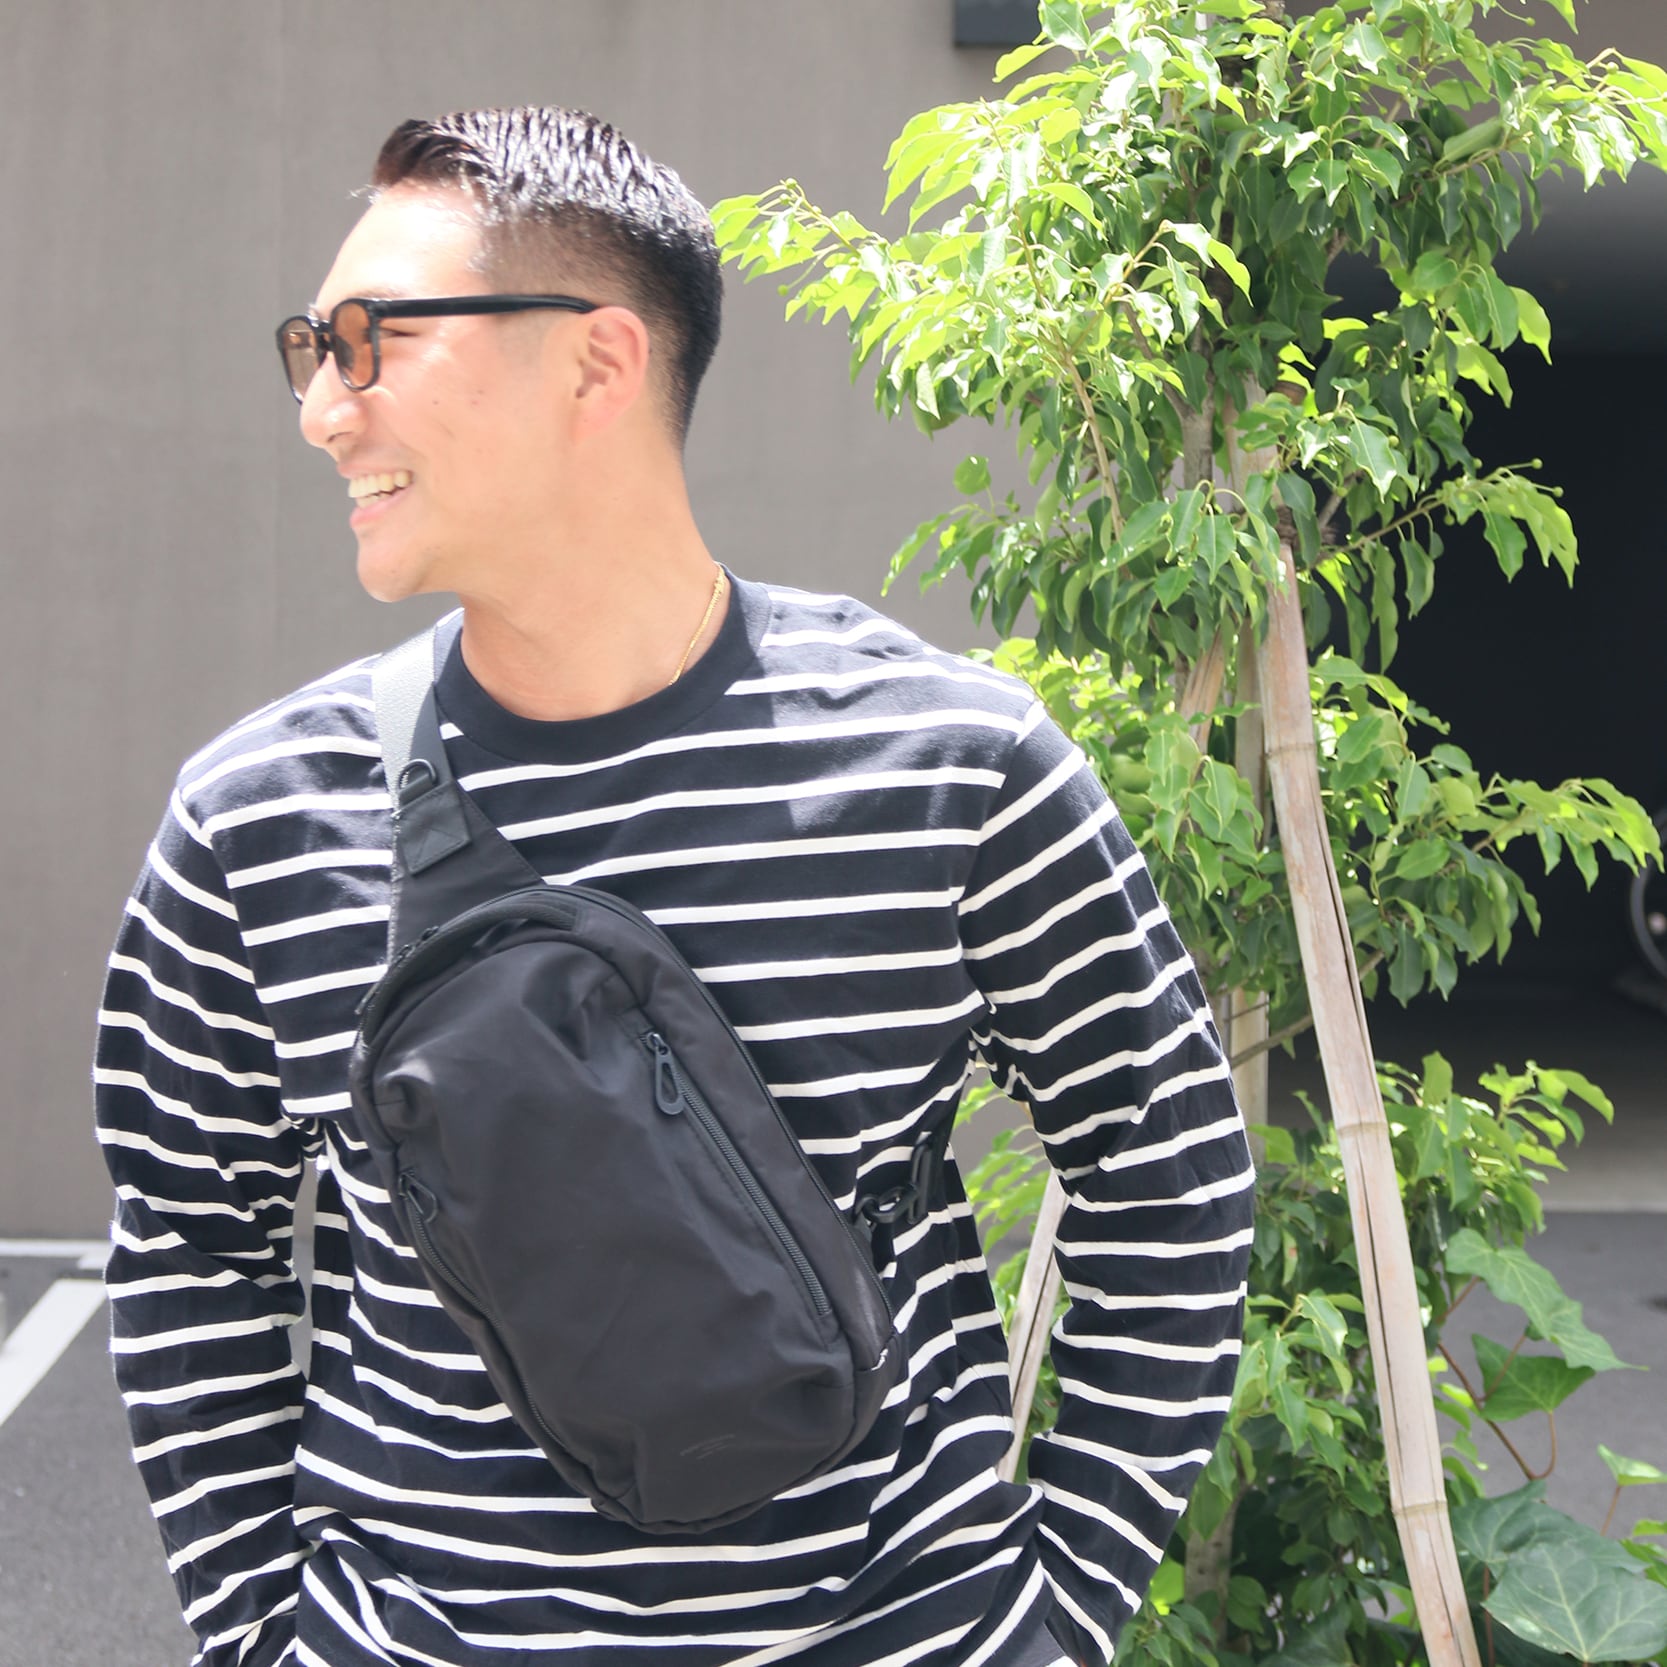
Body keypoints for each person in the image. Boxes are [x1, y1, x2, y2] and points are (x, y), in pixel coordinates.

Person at [95, 106, 1254, 1667]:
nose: (322, 408)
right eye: (310, 349)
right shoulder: (257, 818)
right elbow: (192, 1246)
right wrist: (257, 1637)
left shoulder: (955, 764)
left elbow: (1167, 1179)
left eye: (376, 340)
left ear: (598, 361)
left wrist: (1055, 1615)